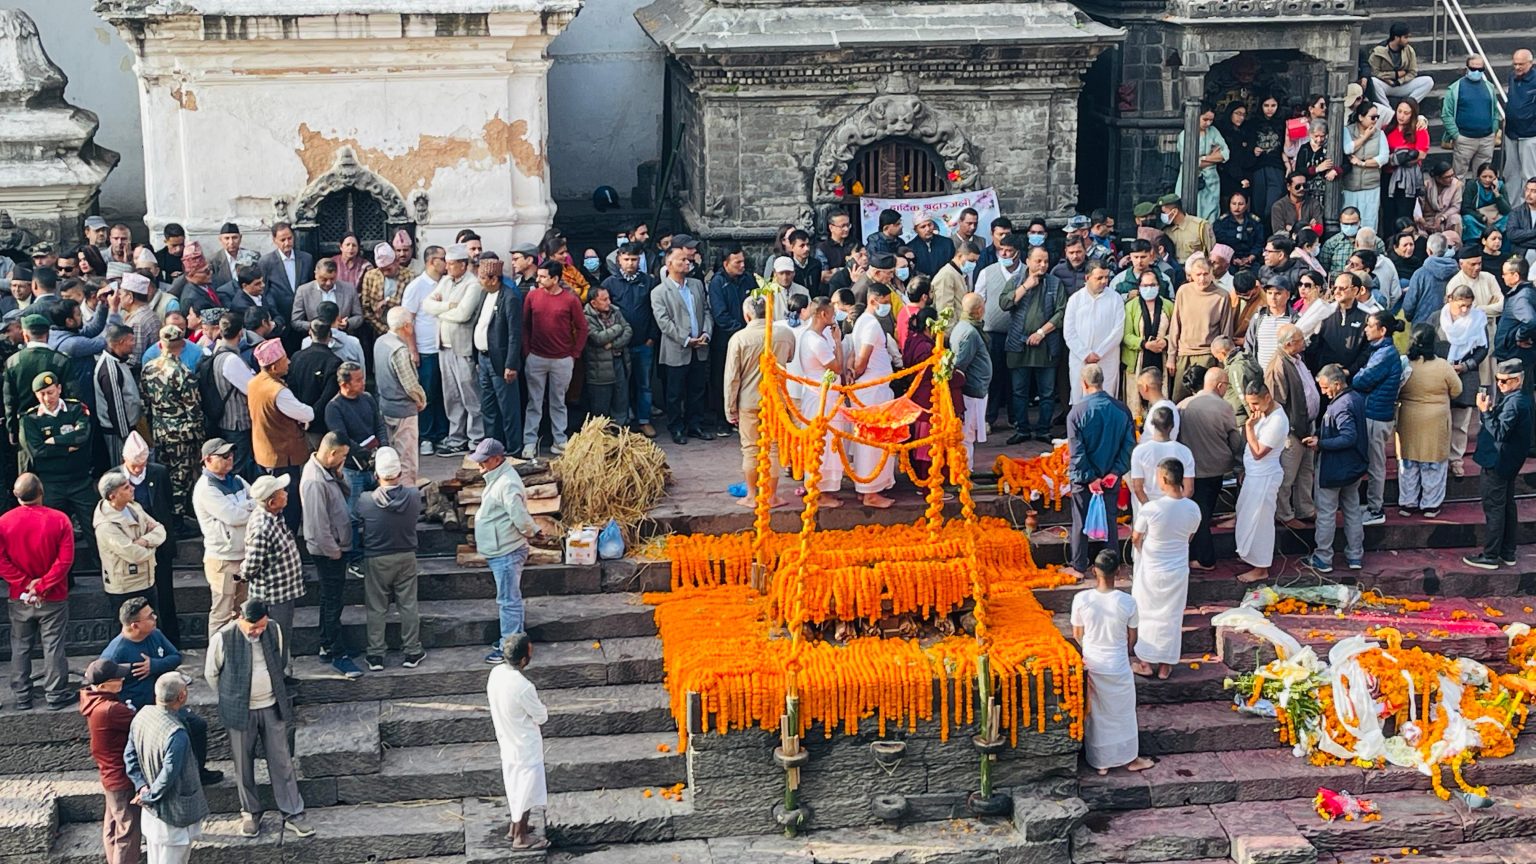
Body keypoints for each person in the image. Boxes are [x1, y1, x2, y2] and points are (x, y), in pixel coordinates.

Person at [205, 598, 314, 839]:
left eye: (261, 626)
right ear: (241, 620)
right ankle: (250, 812)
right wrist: (233, 696)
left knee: (282, 760)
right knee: (243, 764)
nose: (258, 631)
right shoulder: (223, 638)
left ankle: (293, 811)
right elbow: (211, 675)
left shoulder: (273, 629)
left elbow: (282, 661)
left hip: (272, 705)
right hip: (240, 710)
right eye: (253, 628)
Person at [1070, 549, 1153, 775]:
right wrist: (1121, 653)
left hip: (1094, 661)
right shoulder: (1128, 602)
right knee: (1122, 713)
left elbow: (1078, 634)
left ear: (1094, 571)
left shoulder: (1081, 599)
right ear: (1118, 570)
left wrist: (1091, 649)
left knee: (1097, 713)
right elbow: (1132, 638)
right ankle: (1129, 758)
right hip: (1117, 663)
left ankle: (1101, 762)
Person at [0, 473, 73, 710]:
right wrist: (41, 585)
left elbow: (1, 561)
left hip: (19, 596)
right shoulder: (60, 520)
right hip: (53, 595)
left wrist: (24, 583)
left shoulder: (4, 522)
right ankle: (56, 694)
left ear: (15, 494)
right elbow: (65, 561)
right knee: (53, 645)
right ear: (41, 491)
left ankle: (22, 695)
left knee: (20, 645)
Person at [124, 675, 209, 863]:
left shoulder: (142, 715)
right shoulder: (176, 733)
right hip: (174, 812)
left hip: (152, 810)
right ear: (182, 696)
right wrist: (149, 795)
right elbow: (168, 774)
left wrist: (141, 787)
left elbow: (129, 756)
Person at [473, 439, 543, 663]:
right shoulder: (499, 477)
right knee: (510, 598)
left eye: (483, 461)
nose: (479, 466)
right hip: (500, 547)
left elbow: (520, 516)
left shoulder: (506, 483)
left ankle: (508, 646)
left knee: (508, 601)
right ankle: (516, 641)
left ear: (496, 459)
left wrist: (533, 531)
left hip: (506, 549)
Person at [1129, 457, 1200, 679]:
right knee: (1172, 615)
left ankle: (1146, 662)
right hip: (1178, 568)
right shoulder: (1193, 508)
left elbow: (1135, 538)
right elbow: (1189, 537)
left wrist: (1145, 551)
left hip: (1152, 568)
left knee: (1148, 614)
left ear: (1163, 479)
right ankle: (1165, 666)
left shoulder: (1151, 508)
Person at [299, 432, 362, 679]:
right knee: (332, 600)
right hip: (329, 550)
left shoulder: (327, 473)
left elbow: (344, 493)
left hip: (336, 545)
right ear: (333, 453)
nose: (345, 459)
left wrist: (339, 473)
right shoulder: (315, 481)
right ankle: (336, 651)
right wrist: (333, 551)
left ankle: (328, 642)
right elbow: (317, 524)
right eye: (344, 455)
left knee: (331, 598)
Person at [1065, 364, 1135, 580]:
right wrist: (1115, 472)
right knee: (1110, 519)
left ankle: (1078, 566)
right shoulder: (1122, 410)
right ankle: (1111, 565)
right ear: (1102, 381)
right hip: (1110, 477)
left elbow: (1077, 452)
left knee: (1080, 521)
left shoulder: (1077, 412)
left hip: (1084, 479)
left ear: (1084, 383)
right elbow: (1129, 445)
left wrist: (1090, 478)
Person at [357, 446, 424, 671]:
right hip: (406, 555)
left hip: (376, 558)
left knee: (376, 608)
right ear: (400, 473)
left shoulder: (365, 500)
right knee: (408, 605)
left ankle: (376, 655)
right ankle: (412, 651)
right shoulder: (414, 496)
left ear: (376, 475)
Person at [725, 295, 796, 507]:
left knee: (750, 449)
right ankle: (772, 496)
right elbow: (790, 358)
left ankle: (752, 496)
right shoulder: (785, 334)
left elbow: (732, 377)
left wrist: (730, 407)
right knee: (773, 448)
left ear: (747, 315)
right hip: (776, 399)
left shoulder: (739, 338)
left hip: (748, 401)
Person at [1465, 359, 1534, 570]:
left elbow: (1500, 433)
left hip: (1498, 461)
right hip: (1509, 461)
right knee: (1507, 506)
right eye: (1497, 381)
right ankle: (1507, 551)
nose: (1499, 385)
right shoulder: (1521, 398)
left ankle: (1491, 556)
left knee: (1495, 508)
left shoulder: (1514, 403)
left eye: (1503, 382)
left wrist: (1485, 412)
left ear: (1516, 381)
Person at [487, 632, 550, 850]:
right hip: (525, 744)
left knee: (514, 784)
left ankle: (515, 827)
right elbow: (541, 716)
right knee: (525, 788)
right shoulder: (523, 687)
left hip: (507, 738)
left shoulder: (495, 673)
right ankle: (521, 837)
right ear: (523, 660)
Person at [239, 474, 305, 678]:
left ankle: (281, 674)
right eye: (281, 492)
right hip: (273, 597)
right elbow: (251, 566)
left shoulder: (275, 517)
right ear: (271, 502)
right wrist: (242, 573)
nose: (286, 493)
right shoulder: (262, 527)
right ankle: (277, 679)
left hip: (284, 592)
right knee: (277, 640)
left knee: (283, 638)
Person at [1305, 364, 1369, 572]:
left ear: (1337, 384)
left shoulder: (1340, 406)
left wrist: (1320, 443)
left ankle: (1323, 557)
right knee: (1352, 510)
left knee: (1326, 513)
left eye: (1325, 388)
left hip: (1334, 469)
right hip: (1353, 468)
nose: (1323, 393)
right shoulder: (1356, 398)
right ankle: (1355, 556)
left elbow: (1348, 436)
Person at [1394, 323, 1462, 518]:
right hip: (1436, 420)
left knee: (1408, 462)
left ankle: (1408, 502)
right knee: (1433, 463)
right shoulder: (1443, 366)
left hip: (1409, 417)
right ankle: (1430, 505)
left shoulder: (1404, 363)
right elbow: (1457, 390)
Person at [421, 244, 484, 455]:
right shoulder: (446, 281)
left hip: (462, 347)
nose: (446, 268)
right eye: (446, 263)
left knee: (470, 395)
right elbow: (427, 305)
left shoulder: (473, 285)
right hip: (444, 346)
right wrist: (448, 306)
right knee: (451, 396)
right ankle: (456, 437)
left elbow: (463, 314)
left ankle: (476, 438)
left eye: (451, 264)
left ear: (463, 265)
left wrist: (441, 309)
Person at [999, 244, 1066, 443]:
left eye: (1046, 261)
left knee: (1047, 392)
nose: (1042, 265)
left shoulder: (1055, 283)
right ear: (1027, 261)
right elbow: (1004, 304)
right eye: (1038, 261)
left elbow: (1061, 312)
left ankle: (1044, 429)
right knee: (1019, 391)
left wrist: (1041, 332)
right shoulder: (1016, 281)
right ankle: (1022, 429)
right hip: (1018, 346)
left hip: (1046, 345)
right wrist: (1026, 285)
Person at [521, 260, 588, 457]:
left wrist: (574, 354)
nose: (539, 280)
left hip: (562, 359)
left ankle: (560, 440)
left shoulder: (570, 300)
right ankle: (530, 442)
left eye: (543, 277)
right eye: (539, 276)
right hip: (536, 357)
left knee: (558, 401)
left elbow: (582, 327)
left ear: (556, 278)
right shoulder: (532, 297)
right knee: (534, 401)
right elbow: (525, 325)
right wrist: (527, 351)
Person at [1180, 367, 1242, 570]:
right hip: (1215, 469)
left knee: (1198, 513)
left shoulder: (1182, 406)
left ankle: (1200, 556)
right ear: (1220, 385)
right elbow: (1234, 439)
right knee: (1203, 515)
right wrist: (1239, 464)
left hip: (1189, 470)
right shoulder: (1224, 407)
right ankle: (1206, 559)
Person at [80, 658, 141, 864]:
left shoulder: (92, 701)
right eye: (117, 677)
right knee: (128, 832)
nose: (122, 679)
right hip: (121, 776)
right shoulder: (111, 709)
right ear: (105, 685)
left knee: (113, 826)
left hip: (109, 774)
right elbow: (140, 722)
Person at [247, 339, 311, 531]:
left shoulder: (254, 382)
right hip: (281, 454)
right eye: (285, 359)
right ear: (274, 366)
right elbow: (307, 413)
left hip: (264, 450)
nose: (289, 362)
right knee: (286, 502)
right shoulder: (278, 391)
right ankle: (286, 536)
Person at [191, 439, 252, 637]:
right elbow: (233, 516)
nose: (230, 459)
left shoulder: (238, 480)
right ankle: (215, 660)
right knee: (222, 611)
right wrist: (249, 508)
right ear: (208, 460)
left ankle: (239, 652)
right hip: (223, 561)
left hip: (243, 558)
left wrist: (246, 508)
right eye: (224, 456)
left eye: (231, 455)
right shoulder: (206, 488)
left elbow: (259, 502)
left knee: (241, 608)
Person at [653, 246, 713, 446]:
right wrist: (686, 339)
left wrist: (706, 332)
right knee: (674, 392)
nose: (687, 263)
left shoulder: (696, 285)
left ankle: (694, 424)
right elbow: (664, 322)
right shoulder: (659, 292)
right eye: (682, 260)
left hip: (700, 345)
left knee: (697, 389)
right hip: (677, 348)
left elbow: (705, 310)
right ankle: (676, 427)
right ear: (669, 264)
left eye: (688, 260)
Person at [1351, 311, 1404, 528]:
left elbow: (1361, 380)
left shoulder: (1385, 354)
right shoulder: (1379, 351)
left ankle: (1376, 509)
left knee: (1375, 464)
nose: (1365, 329)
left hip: (1376, 415)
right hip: (1373, 412)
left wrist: (1359, 373)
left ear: (1382, 330)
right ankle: (1373, 505)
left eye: (1370, 325)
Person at [847, 282, 898, 508]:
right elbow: (861, 361)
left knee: (871, 440)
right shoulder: (870, 325)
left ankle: (866, 488)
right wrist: (854, 373)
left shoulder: (863, 322)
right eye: (884, 303)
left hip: (872, 389)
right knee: (873, 441)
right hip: (872, 389)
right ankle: (870, 492)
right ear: (873, 301)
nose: (886, 307)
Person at [1266, 325, 1320, 529]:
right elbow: (1276, 402)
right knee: (1287, 475)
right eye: (1300, 340)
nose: (1304, 342)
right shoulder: (1278, 365)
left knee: (1306, 471)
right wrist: (1289, 430)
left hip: (1306, 425)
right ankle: (1284, 514)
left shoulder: (1296, 359)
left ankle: (1305, 509)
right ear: (1289, 344)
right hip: (1292, 430)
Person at [1235, 380, 1289, 583]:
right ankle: (1250, 556)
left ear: (1267, 397)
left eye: (1255, 403)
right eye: (1250, 404)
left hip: (1265, 475)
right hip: (1254, 474)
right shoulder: (1265, 414)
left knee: (1261, 522)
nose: (1252, 409)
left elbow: (1258, 452)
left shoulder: (1277, 420)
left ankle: (1261, 567)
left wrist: (1249, 427)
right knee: (1246, 516)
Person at [603, 243, 658, 437]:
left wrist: (652, 337)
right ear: (619, 259)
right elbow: (604, 314)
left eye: (634, 259)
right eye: (626, 259)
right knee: (621, 385)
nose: (630, 263)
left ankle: (644, 420)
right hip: (619, 345)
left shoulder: (649, 282)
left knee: (644, 384)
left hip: (644, 343)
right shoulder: (609, 284)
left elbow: (655, 311)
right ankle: (622, 421)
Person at [94, 469, 166, 615]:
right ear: (112, 496)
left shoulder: (133, 507)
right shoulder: (106, 525)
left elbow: (161, 530)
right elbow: (134, 554)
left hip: (147, 580)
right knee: (130, 631)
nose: (133, 488)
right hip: (125, 588)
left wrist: (144, 541)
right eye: (126, 487)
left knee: (152, 626)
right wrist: (153, 548)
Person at [796, 299, 847, 507]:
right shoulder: (815, 340)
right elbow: (837, 367)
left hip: (825, 397)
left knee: (829, 444)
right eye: (832, 313)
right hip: (820, 399)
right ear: (823, 315)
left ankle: (825, 488)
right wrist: (837, 341)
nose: (834, 317)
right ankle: (819, 491)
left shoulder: (815, 336)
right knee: (822, 445)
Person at [473, 254, 523, 450]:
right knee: (488, 407)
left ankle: (513, 449)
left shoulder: (509, 298)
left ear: (494, 279)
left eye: (482, 278)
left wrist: (511, 364)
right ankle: (492, 447)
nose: (479, 281)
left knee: (508, 408)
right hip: (483, 359)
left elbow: (514, 335)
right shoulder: (484, 294)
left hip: (500, 361)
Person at [1166, 256, 1233, 401]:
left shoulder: (1222, 296)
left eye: (1205, 274)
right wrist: (1171, 356)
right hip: (1184, 353)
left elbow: (1226, 332)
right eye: (1198, 274)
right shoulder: (1183, 291)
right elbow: (1175, 326)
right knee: (1179, 399)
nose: (1202, 278)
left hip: (1208, 355)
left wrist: (1223, 361)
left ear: (1211, 273)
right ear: (1191, 275)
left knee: (1206, 399)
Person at [401, 245, 448, 453]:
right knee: (427, 393)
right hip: (425, 348)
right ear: (431, 261)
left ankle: (443, 433)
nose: (446, 262)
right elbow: (407, 320)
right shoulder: (416, 287)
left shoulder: (446, 284)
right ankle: (426, 436)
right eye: (443, 259)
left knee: (444, 393)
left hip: (445, 347)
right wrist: (413, 350)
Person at [1441, 285, 1491, 477]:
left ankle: (1456, 459)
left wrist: (1466, 365)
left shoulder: (1478, 319)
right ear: (1450, 300)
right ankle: (1441, 458)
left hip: (1466, 372)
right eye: (1461, 305)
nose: (1465, 310)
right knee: (1442, 418)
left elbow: (1483, 348)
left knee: (1461, 420)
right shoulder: (1438, 317)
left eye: (1468, 306)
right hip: (1442, 371)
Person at [374, 306, 426, 486]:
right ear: (406, 326)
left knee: (391, 454)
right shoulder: (400, 350)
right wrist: (421, 399)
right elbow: (410, 384)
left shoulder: (380, 342)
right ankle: (406, 497)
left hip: (384, 405)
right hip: (403, 409)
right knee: (406, 459)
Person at [1063, 261, 1124, 407]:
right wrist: (1085, 354)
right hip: (1080, 359)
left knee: (1107, 397)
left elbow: (1118, 330)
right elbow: (1069, 332)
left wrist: (1099, 353)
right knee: (1080, 397)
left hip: (1107, 358)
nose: (1104, 281)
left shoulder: (1115, 298)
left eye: (1106, 278)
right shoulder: (1075, 300)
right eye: (1099, 278)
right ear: (1087, 278)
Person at [1127, 404, 1193, 523]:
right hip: (1176, 511)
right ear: (1172, 426)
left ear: (1151, 424)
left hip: (1148, 511)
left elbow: (1138, 487)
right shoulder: (1185, 451)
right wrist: (1177, 507)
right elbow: (1189, 489)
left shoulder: (1140, 451)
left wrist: (1150, 509)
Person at [1443, 56, 1501, 179]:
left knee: (1484, 177)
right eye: (1473, 68)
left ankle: (1479, 199)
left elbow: (1495, 111)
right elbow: (1446, 114)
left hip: (1487, 139)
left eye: (1480, 69)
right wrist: (1456, 135)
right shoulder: (1455, 89)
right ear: (1467, 68)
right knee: (1458, 177)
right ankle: (1459, 199)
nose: (1477, 72)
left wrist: (1494, 130)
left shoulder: (1489, 87)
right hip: (1464, 139)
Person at [582, 285, 633, 424]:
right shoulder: (586, 317)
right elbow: (598, 338)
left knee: (621, 400)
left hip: (619, 362)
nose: (608, 302)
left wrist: (613, 344)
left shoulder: (615, 311)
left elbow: (628, 331)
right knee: (601, 407)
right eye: (604, 300)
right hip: (599, 369)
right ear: (593, 303)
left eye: (608, 298)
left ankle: (621, 432)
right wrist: (618, 327)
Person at [951, 293, 992, 464]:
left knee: (969, 434)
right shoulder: (968, 332)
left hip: (976, 389)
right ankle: (965, 473)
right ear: (980, 310)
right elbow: (960, 365)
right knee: (967, 435)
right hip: (971, 391)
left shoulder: (965, 327)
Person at [1382, 98, 1430, 232]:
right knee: (1388, 213)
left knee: (1404, 213)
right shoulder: (1387, 129)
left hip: (1407, 177)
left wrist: (1402, 159)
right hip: (1387, 175)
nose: (1401, 116)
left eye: (1406, 113)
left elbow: (1421, 154)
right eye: (1399, 111)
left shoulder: (1419, 130)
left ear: (1413, 114)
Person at [1369, 22, 1434, 105]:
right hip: (1385, 84)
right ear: (1396, 37)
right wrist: (1395, 75)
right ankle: (1389, 111)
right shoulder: (1378, 51)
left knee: (1428, 81)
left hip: (1402, 84)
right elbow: (1374, 72)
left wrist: (1399, 81)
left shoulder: (1409, 50)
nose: (1407, 40)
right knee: (1373, 82)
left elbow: (1412, 72)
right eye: (1405, 37)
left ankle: (1408, 107)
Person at [1502, 50, 1536, 198]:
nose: (1517, 67)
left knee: (1529, 174)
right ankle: (1512, 209)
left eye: (1521, 64)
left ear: (1531, 63)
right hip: (1511, 132)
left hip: (1530, 134)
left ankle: (1530, 209)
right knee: (1511, 173)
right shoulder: (1512, 77)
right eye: (1514, 63)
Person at [360, 243, 407, 338]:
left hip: (403, 329)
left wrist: (387, 301)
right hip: (378, 329)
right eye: (382, 270)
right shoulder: (370, 276)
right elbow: (366, 309)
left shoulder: (409, 276)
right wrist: (384, 330)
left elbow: (408, 305)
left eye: (388, 269)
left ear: (397, 261)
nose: (385, 273)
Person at [1463, 166, 1512, 244]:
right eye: (1484, 177)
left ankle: (1503, 248)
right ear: (1478, 177)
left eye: (1491, 177)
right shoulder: (1472, 185)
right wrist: (1482, 218)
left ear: (1495, 177)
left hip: (1496, 218)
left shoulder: (1500, 185)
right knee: (1467, 219)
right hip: (1479, 218)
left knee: (1509, 218)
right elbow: (1465, 208)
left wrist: (1497, 194)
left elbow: (1507, 210)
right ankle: (1472, 247)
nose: (1487, 180)